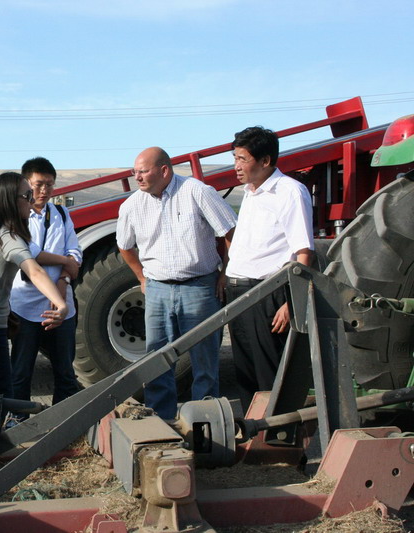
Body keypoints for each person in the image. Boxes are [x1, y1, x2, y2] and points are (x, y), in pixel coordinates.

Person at [116, 147, 236, 420]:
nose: (137, 177)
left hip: (200, 287)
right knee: (157, 361)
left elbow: (230, 231)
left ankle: (205, 425)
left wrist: (224, 273)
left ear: (164, 170)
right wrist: (141, 277)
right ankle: (162, 423)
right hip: (158, 289)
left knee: (205, 362)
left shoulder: (197, 192)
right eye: (135, 172)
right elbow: (125, 246)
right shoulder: (132, 205)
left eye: (143, 171)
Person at [0, 172, 68, 446]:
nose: (31, 201)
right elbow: (35, 270)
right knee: (1, 394)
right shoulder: (8, 238)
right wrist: (62, 303)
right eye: (26, 195)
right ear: (11, 199)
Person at [224, 126, 314, 411]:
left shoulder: (289, 192)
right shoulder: (250, 192)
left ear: (265, 161)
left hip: (267, 294)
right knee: (246, 373)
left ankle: (280, 443)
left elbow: (303, 251)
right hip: (239, 292)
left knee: (270, 375)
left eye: (242, 159)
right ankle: (255, 440)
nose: (237, 166)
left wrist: (290, 303)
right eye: (235, 158)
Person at [9, 157, 82, 424]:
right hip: (25, 306)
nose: (44, 190)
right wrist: (65, 261)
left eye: (50, 185)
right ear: (26, 183)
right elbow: (30, 254)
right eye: (39, 184)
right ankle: (19, 421)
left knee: (65, 370)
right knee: (21, 370)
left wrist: (63, 281)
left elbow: (75, 249)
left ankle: (61, 422)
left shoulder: (62, 214)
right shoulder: (17, 216)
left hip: (62, 306)